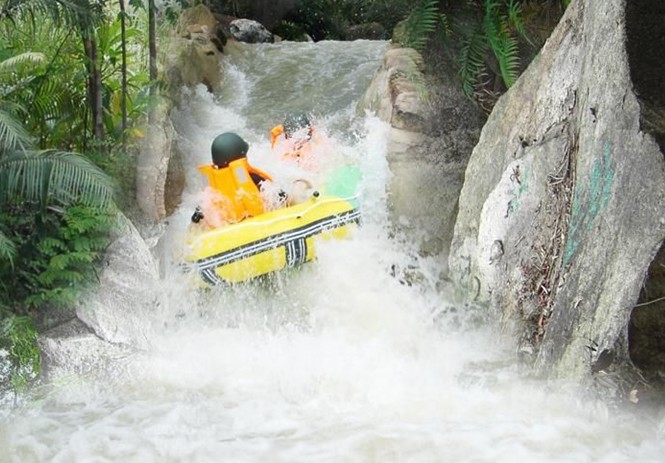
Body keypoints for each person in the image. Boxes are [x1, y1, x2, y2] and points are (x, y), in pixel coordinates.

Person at [191, 132, 275, 228]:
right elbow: (278, 197)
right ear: (241, 157)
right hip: (257, 224)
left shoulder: (212, 187)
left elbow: (197, 217)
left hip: (228, 229)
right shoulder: (248, 177)